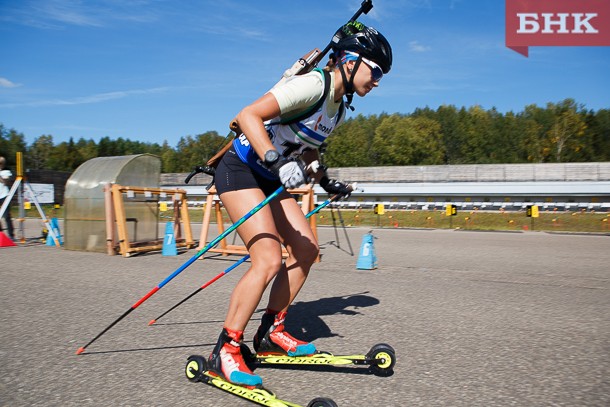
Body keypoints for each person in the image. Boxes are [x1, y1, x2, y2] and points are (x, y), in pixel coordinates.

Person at [207, 21, 392, 387]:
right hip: (241, 169)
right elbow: (248, 115)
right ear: (351, 62)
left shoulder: (337, 109)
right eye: (376, 70)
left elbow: (307, 150)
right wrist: (276, 160)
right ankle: (226, 349)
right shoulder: (314, 85)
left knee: (306, 249)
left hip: (269, 174)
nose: (378, 80)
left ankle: (272, 332)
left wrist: (324, 180)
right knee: (269, 259)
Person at [0, 156, 15, 240]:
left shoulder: (6, 171)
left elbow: (6, 182)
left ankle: (11, 235)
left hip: (4, 195)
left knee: (6, 216)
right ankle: (1, 234)